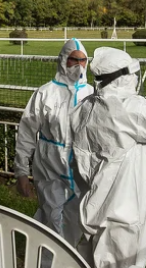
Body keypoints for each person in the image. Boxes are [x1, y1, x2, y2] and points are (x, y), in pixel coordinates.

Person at [70, 47, 146, 268]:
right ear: (122, 76)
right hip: (122, 216)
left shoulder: (84, 107)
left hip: (93, 206)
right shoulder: (128, 109)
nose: (136, 78)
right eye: (134, 73)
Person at [14, 39, 93, 249]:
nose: (78, 65)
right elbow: (26, 133)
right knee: (53, 219)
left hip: (81, 170)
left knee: (77, 221)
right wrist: (21, 171)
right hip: (50, 167)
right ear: (63, 61)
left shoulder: (92, 94)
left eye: (83, 60)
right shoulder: (45, 93)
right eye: (73, 60)